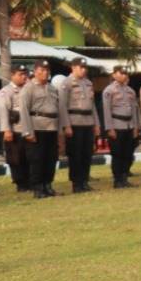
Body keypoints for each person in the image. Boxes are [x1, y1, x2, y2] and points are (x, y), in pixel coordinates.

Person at [18, 61, 63, 198]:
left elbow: (58, 110)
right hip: (37, 127)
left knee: (51, 159)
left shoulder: (52, 88)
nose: (45, 73)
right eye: (42, 70)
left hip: (51, 127)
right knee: (37, 160)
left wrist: (59, 130)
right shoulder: (28, 88)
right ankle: (38, 188)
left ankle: (48, 185)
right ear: (36, 71)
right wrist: (27, 131)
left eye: (47, 70)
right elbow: (24, 110)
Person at [59, 55, 99, 194]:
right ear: (73, 68)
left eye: (85, 67)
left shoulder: (88, 83)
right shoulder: (67, 83)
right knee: (75, 154)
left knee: (87, 153)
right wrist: (67, 125)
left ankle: (84, 181)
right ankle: (76, 183)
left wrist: (96, 124)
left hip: (88, 121)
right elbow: (62, 106)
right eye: (81, 67)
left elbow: (92, 105)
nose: (84, 70)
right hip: (74, 121)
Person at [101, 64, 140, 188]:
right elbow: (106, 111)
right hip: (116, 125)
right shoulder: (109, 90)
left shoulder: (130, 91)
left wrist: (135, 127)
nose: (124, 75)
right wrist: (109, 128)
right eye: (121, 73)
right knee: (117, 154)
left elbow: (134, 110)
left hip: (129, 125)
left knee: (127, 153)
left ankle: (124, 177)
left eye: (125, 73)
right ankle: (117, 179)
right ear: (114, 75)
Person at [0, 64, 30, 192]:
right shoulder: (5, 92)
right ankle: (20, 183)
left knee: (28, 157)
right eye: (20, 74)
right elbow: (3, 112)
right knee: (16, 158)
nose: (24, 77)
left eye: (25, 74)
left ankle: (29, 181)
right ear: (12, 75)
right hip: (14, 129)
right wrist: (6, 130)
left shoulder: (28, 89)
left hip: (27, 130)